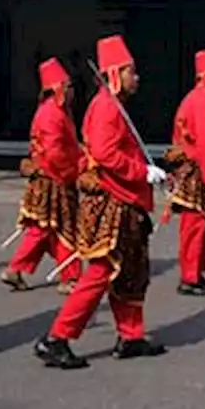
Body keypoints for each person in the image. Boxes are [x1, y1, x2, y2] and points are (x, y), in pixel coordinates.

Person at [34, 35, 168, 370]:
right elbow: (107, 155)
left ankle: (131, 335)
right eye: (132, 72)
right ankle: (57, 338)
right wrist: (142, 172)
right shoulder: (106, 106)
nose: (137, 78)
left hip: (127, 201)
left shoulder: (113, 105)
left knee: (132, 273)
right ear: (116, 73)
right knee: (100, 272)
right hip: (114, 203)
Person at [1, 58, 83, 293]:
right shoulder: (52, 114)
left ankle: (20, 269)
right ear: (58, 88)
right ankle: (69, 277)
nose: (72, 92)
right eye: (68, 87)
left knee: (49, 229)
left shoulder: (56, 112)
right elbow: (55, 151)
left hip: (51, 176)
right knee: (58, 228)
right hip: (54, 178)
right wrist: (74, 171)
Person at [164, 49, 205, 296]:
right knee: (196, 226)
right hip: (198, 173)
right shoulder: (203, 102)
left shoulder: (201, 99)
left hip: (198, 169)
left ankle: (195, 273)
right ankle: (190, 277)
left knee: (202, 227)